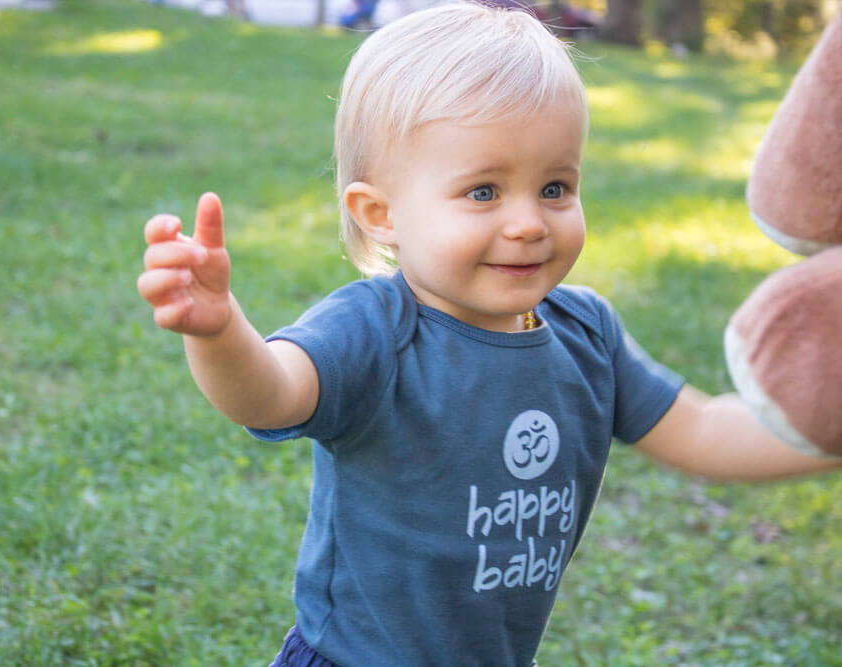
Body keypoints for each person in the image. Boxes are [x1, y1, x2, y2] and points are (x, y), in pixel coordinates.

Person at [136, 4, 840, 665]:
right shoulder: (377, 330)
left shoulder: (587, 332)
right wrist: (220, 331)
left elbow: (706, 428)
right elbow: (271, 392)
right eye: (483, 192)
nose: (530, 221)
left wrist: (825, 430)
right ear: (381, 213)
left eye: (556, 187)